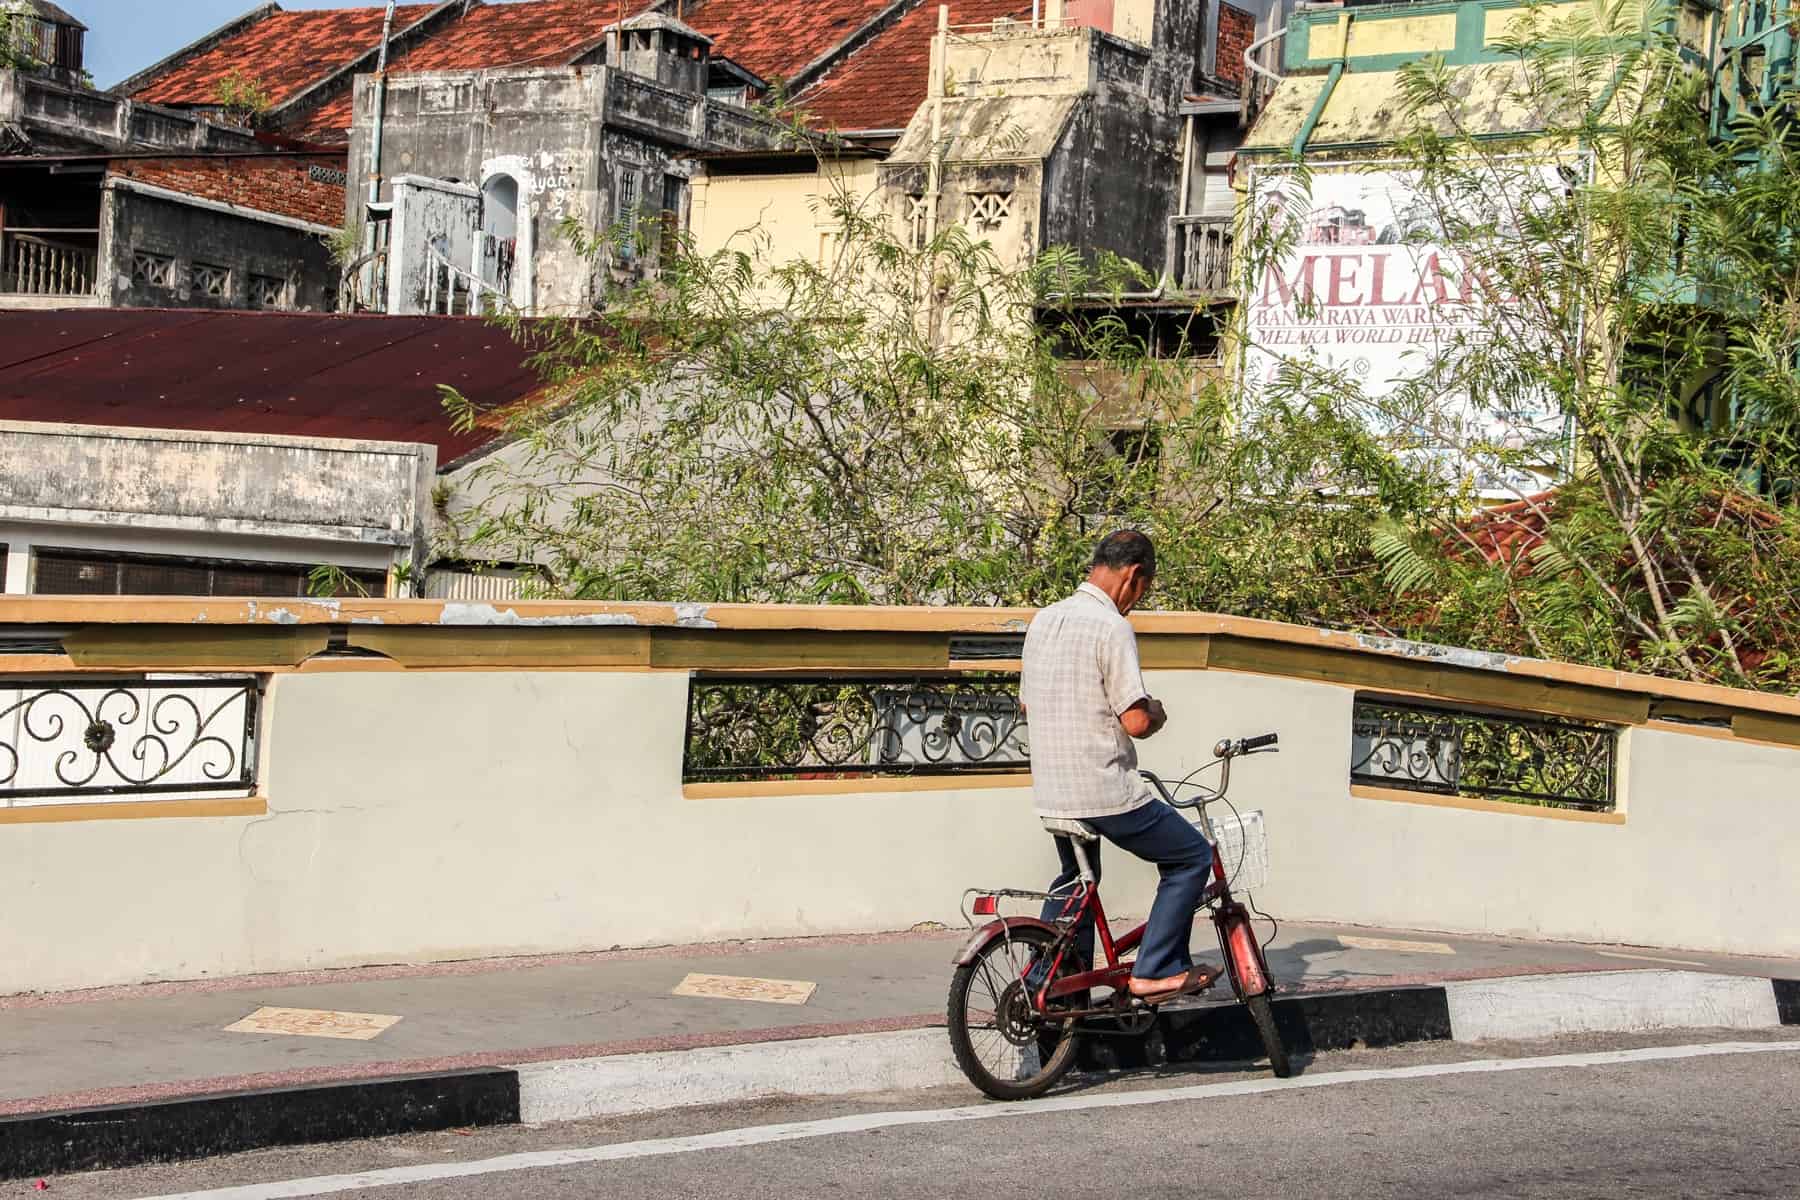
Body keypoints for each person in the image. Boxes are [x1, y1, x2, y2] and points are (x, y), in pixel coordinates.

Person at [1020, 530, 1219, 1000]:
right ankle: (1156, 967)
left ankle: (1055, 991)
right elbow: (1133, 720)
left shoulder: (1043, 620)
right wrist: (1155, 712)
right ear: (1133, 577)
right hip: (1104, 790)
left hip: (1053, 790)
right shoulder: (1112, 627)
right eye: (1142, 591)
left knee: (1076, 884)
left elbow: (1029, 706)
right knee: (1191, 857)